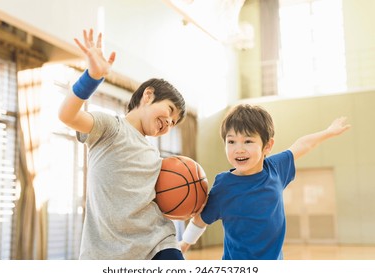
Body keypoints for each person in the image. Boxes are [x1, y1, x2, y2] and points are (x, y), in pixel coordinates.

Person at [58, 29, 186, 260]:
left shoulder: (154, 155)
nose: (168, 123)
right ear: (148, 95)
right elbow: (67, 115)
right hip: (105, 253)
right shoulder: (111, 127)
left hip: (156, 244)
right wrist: (92, 77)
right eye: (169, 111)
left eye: (173, 123)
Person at [180, 104, 351, 260]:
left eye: (248, 141)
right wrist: (185, 244)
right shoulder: (224, 185)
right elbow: (201, 220)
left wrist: (329, 132)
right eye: (231, 141)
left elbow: (303, 144)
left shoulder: (275, 168)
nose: (239, 148)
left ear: (267, 146)